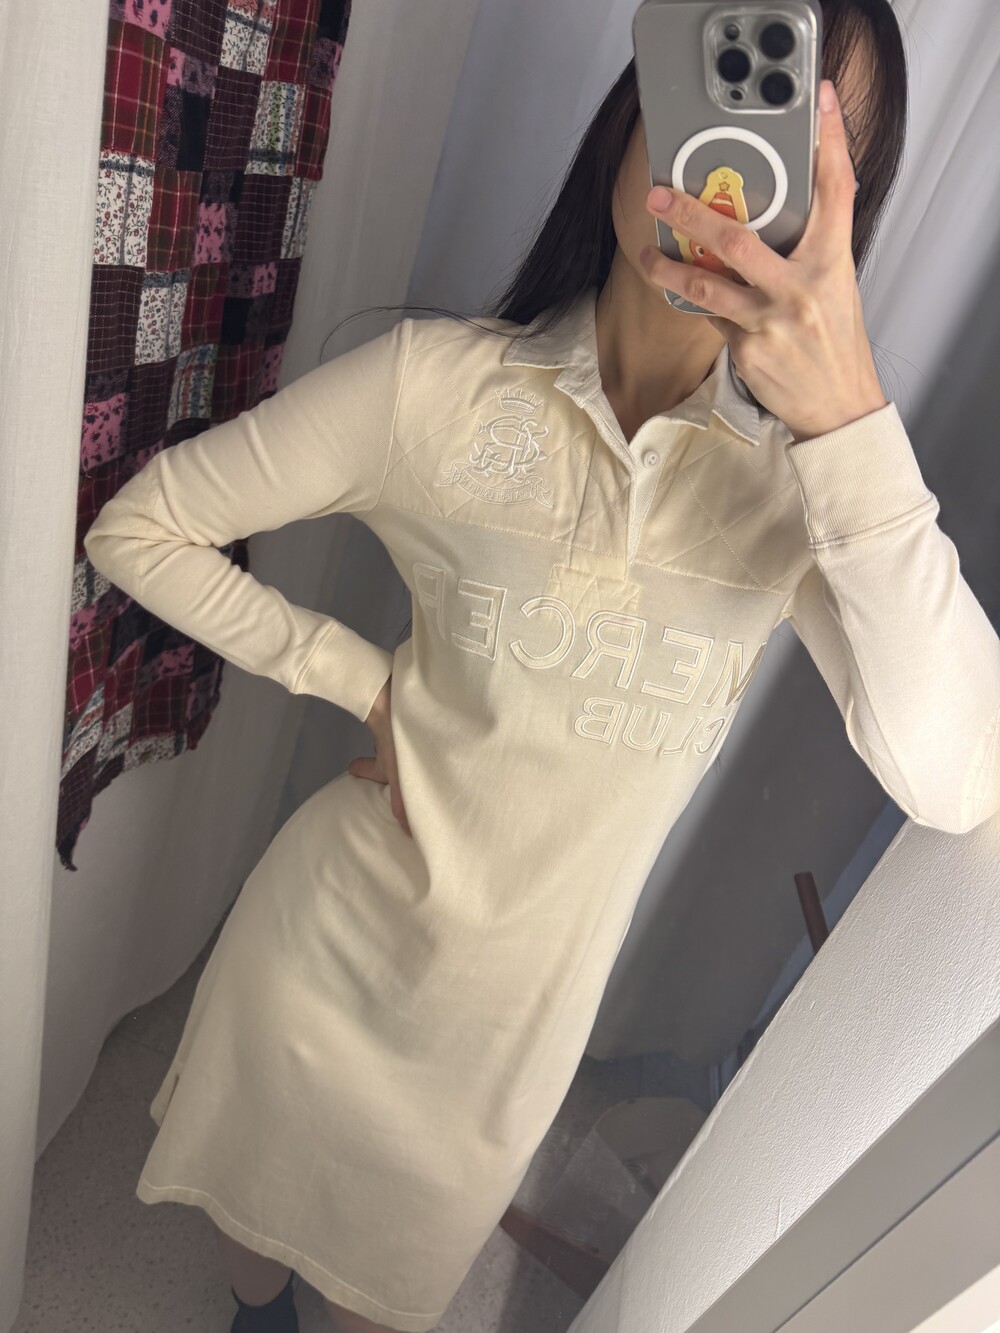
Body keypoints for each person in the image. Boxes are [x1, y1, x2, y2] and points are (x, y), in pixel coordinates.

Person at [83, 5, 1000, 1331]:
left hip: (499, 1061)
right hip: (322, 961)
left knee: (383, 1300)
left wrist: (851, 421)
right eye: (714, 101)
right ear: (636, 110)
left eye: (789, 151)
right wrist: (356, 678)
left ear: (831, 225)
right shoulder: (434, 389)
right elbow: (139, 528)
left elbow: (962, 773)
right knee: (257, 1253)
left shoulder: (804, 500)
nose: (724, 183)